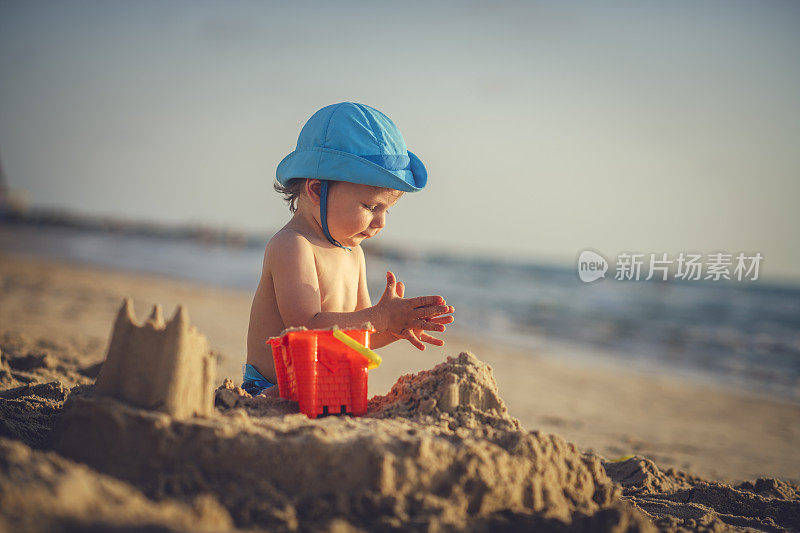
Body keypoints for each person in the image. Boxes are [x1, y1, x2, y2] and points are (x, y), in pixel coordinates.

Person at [243, 102, 455, 397]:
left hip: (325, 389)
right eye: (371, 207)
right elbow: (306, 327)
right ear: (316, 190)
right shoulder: (292, 245)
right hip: (272, 389)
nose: (380, 222)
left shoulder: (353, 253)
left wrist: (394, 327)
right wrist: (381, 316)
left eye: (387, 211)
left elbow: (357, 333)